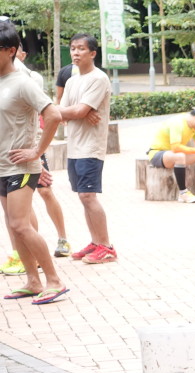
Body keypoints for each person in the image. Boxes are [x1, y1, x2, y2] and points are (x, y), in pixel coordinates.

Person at [0, 20, 66, 304]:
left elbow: (54, 115)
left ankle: (54, 280)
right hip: (2, 166)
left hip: (21, 166)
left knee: (21, 224)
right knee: (14, 226)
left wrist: (37, 152)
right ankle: (33, 281)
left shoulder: (23, 83)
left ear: (11, 50)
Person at [56, 33, 115, 265]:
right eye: (73, 48)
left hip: (91, 147)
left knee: (88, 196)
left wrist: (81, 111)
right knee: (83, 197)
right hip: (74, 147)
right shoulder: (72, 81)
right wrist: (79, 111)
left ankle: (106, 247)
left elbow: (75, 111)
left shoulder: (98, 78)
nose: (75, 52)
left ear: (92, 53)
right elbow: (61, 114)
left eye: (81, 48)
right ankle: (95, 241)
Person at [14, 45, 72, 259]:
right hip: (14, 152)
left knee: (45, 191)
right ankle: (32, 254)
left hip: (33, 146)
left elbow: (49, 113)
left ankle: (62, 238)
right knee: (23, 202)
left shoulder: (31, 78)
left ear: (21, 55)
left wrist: (37, 155)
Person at [147, 106, 195, 203]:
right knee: (180, 156)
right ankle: (183, 193)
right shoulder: (178, 122)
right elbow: (175, 148)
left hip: (173, 156)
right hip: (158, 154)